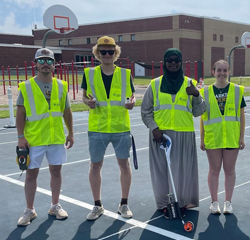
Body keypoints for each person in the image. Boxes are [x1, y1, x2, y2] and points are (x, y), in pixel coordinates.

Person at [141, 48, 205, 218]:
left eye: (177, 60)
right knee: (161, 170)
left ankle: (182, 203)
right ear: (165, 62)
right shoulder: (154, 84)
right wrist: (154, 128)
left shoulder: (190, 83)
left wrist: (197, 95)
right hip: (160, 135)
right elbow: (145, 110)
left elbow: (199, 111)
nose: (173, 63)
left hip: (184, 134)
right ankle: (164, 204)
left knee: (183, 171)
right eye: (170, 60)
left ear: (181, 62)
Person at [16, 48, 74, 226]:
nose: (45, 64)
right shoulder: (26, 87)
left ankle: (55, 205)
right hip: (34, 140)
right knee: (31, 175)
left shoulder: (62, 85)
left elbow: (66, 111)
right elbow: (20, 113)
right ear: (35, 64)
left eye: (49, 61)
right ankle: (29, 210)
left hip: (56, 138)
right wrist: (20, 137)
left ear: (54, 65)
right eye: (41, 61)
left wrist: (71, 132)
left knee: (56, 172)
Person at [81, 36, 136, 220]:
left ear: (116, 53)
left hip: (120, 127)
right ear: (97, 53)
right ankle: (97, 206)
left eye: (110, 51)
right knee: (95, 165)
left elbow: (132, 96)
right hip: (98, 128)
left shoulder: (125, 74)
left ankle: (124, 204)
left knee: (124, 165)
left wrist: (132, 103)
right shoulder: (89, 73)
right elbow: (84, 97)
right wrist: (87, 102)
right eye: (103, 51)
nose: (107, 54)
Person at [199, 60, 246, 215]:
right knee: (214, 170)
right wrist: (202, 138)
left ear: (229, 72)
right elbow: (202, 117)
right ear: (213, 72)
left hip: (231, 136)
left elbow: (241, 115)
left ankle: (228, 202)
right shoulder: (205, 92)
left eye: (225, 70)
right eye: (219, 70)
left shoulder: (237, 90)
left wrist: (242, 137)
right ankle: (214, 202)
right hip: (213, 136)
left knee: (229, 170)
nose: (222, 73)